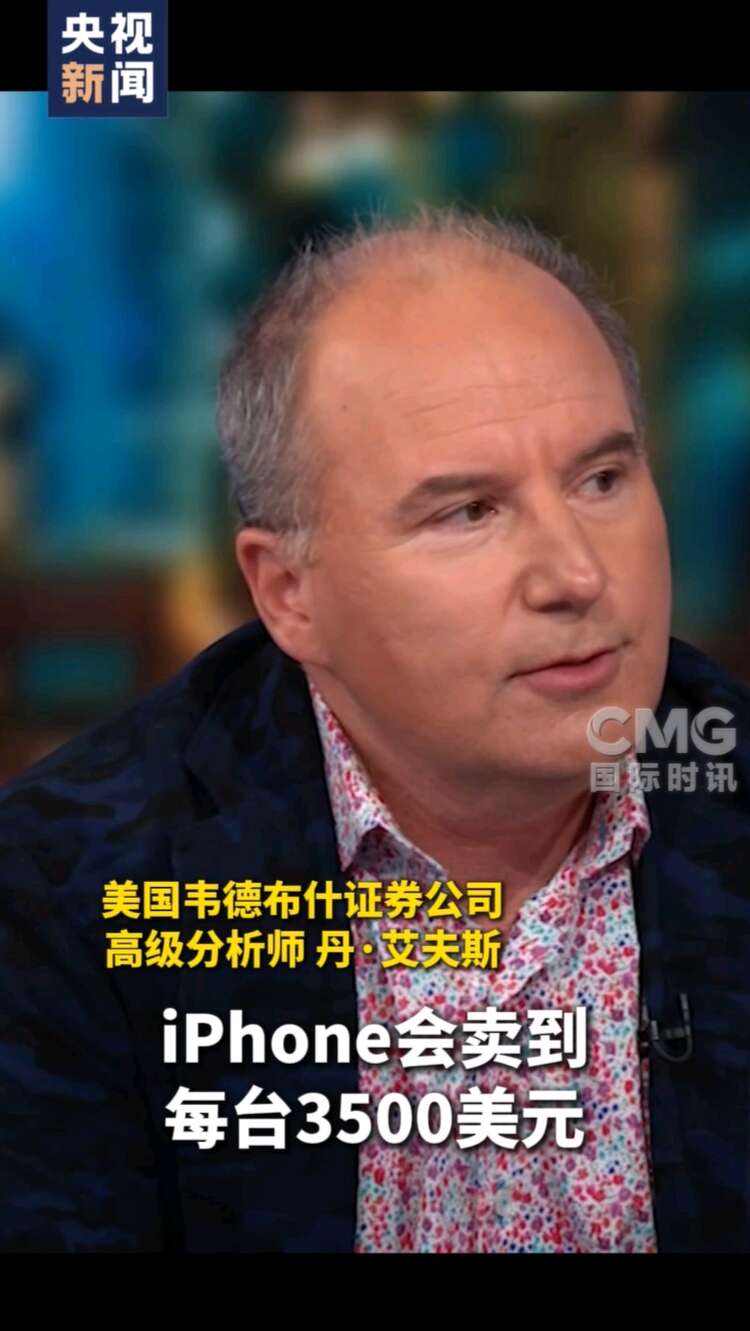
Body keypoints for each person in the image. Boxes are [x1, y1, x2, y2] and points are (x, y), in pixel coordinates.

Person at [1, 207, 749, 1254]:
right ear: (289, 591)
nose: (578, 574)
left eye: (602, 479)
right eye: (468, 511)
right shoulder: (61, 891)